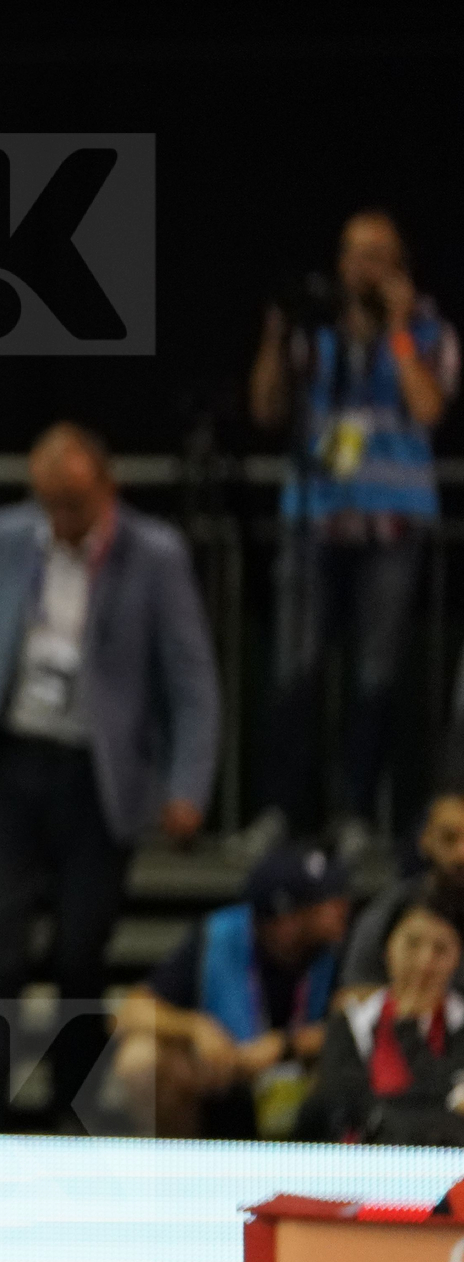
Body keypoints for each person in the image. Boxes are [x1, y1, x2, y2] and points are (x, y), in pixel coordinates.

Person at [0, 423, 220, 1134]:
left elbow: (192, 681)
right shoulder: (13, 535)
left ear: (107, 488)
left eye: (75, 503)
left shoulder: (155, 556)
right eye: (49, 501)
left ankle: (67, 1112)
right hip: (13, 761)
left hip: (99, 773)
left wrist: (188, 787)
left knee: (82, 954)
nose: (62, 518)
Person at [250, 209, 460, 858]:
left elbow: (429, 408)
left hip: (392, 523)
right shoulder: (319, 336)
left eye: (376, 255)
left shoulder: (430, 332)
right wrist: (276, 336)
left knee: (375, 674)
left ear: (400, 265)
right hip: (316, 515)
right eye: (352, 254)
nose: (360, 267)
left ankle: (359, 813)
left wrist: (396, 332)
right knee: (297, 670)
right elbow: (266, 409)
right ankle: (286, 812)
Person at [112, 843, 350, 1140]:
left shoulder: (343, 945)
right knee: (140, 1058)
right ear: (285, 919)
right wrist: (196, 1028)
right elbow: (131, 1011)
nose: (342, 906)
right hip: (226, 1081)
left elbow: (367, 1020)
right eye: (323, 901)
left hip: (305, 1090)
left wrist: (288, 1045)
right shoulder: (221, 935)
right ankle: (179, 1174)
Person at [299, 880, 464, 1146]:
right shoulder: (353, 1022)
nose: (424, 963)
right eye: (412, 944)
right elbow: (337, 1109)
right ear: (388, 947)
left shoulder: (460, 1027)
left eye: (441, 949)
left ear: (457, 958)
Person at [340, 789, 464, 1004]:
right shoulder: (391, 911)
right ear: (425, 840)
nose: (462, 854)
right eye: (449, 838)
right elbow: (349, 998)